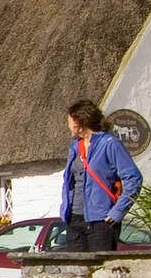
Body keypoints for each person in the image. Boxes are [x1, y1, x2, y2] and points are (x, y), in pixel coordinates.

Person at [60, 100, 143, 251]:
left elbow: (133, 178)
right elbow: (69, 182)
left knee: (100, 271)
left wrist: (117, 211)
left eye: (69, 121)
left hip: (101, 221)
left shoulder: (110, 144)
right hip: (75, 219)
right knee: (76, 271)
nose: (68, 125)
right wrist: (65, 209)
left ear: (78, 121)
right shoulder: (74, 147)